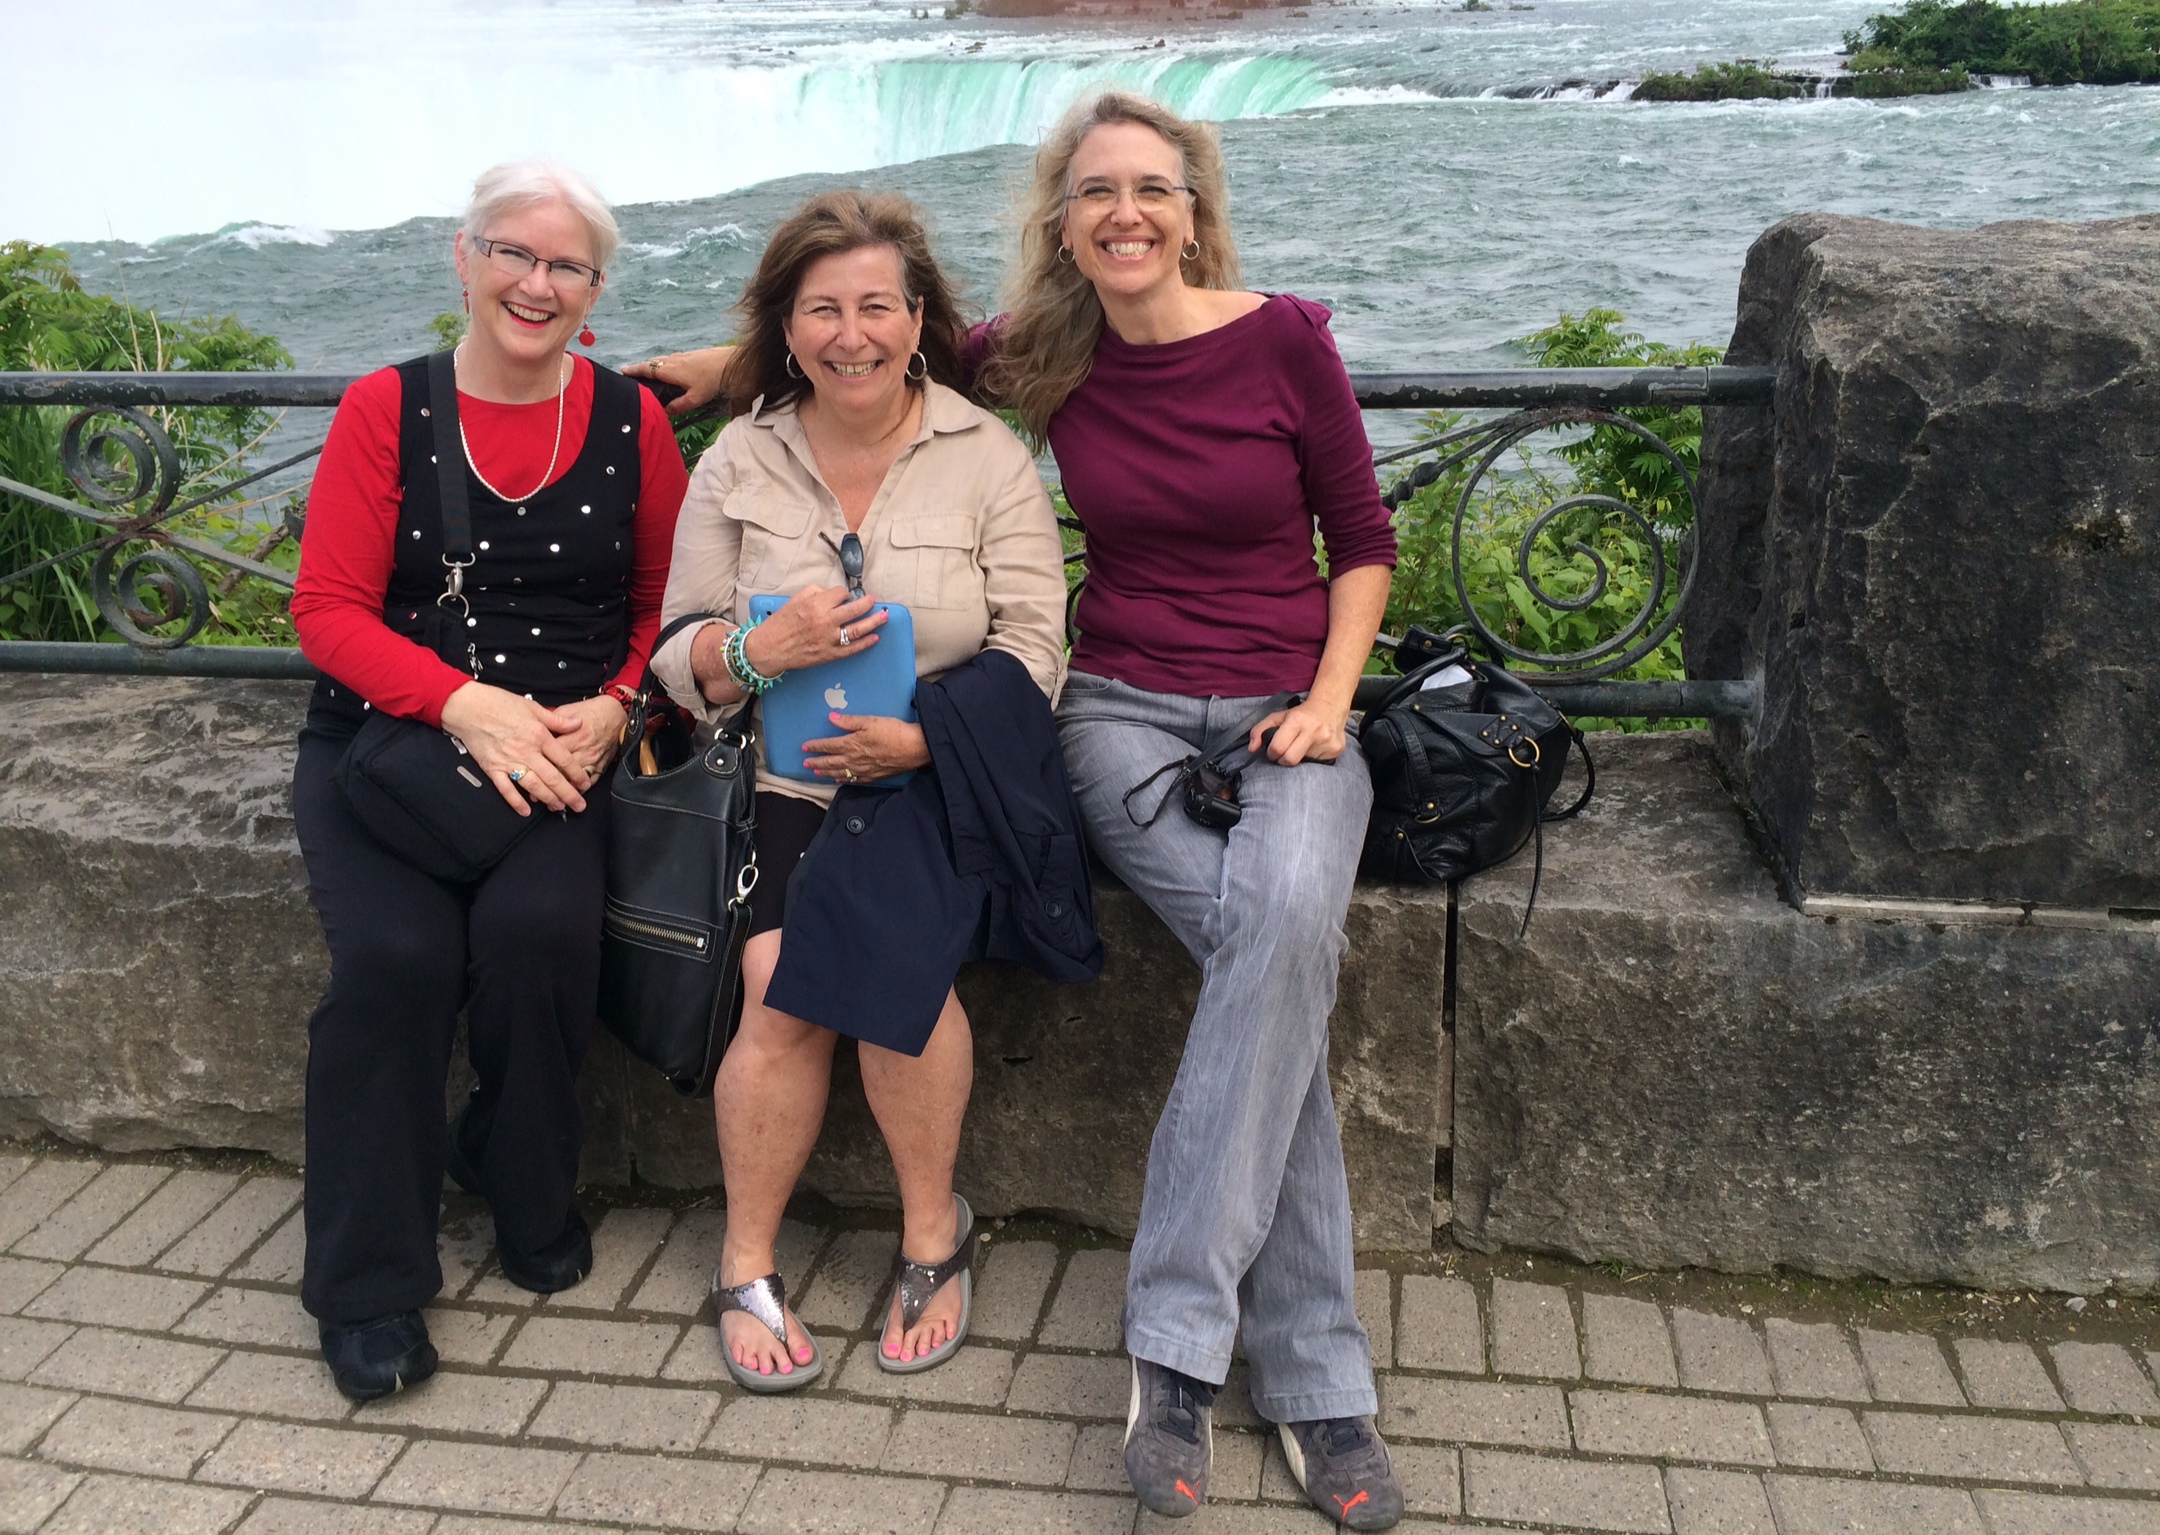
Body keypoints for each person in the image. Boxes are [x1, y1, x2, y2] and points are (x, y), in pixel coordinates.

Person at [632, 95, 1403, 1526]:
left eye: (1151, 190)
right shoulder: (1047, 350)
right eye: (1095, 191)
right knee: (1278, 957)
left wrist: (1332, 702)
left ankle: (1182, 1349)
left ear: (1192, 204)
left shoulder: (1286, 336)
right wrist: (711, 365)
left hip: (1291, 712)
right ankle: (1317, 1383)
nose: (1125, 213)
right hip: (1115, 717)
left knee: (1279, 934)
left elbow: (1361, 540)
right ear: (1062, 217)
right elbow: (864, 334)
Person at [645, 190, 1071, 1392]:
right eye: (821, 309)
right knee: (783, 974)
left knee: (846, 970)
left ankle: (919, 1230)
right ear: (784, 331)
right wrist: (753, 655)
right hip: (782, 776)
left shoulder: (986, 453)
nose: (851, 334)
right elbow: (676, 648)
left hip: (938, 780)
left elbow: (1039, 647)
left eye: (875, 305)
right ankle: (760, 1253)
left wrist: (926, 736)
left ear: (917, 316)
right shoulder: (739, 455)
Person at [290, 159, 686, 1402]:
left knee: (541, 935)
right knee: (395, 963)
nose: (535, 281)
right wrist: (460, 700)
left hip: (564, 749)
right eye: (512, 252)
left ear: (596, 292)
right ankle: (365, 1283)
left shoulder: (632, 421)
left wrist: (620, 708)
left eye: (566, 264)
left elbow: (664, 608)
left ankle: (518, 1187)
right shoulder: (385, 408)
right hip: (389, 742)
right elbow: (326, 611)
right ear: (463, 260)